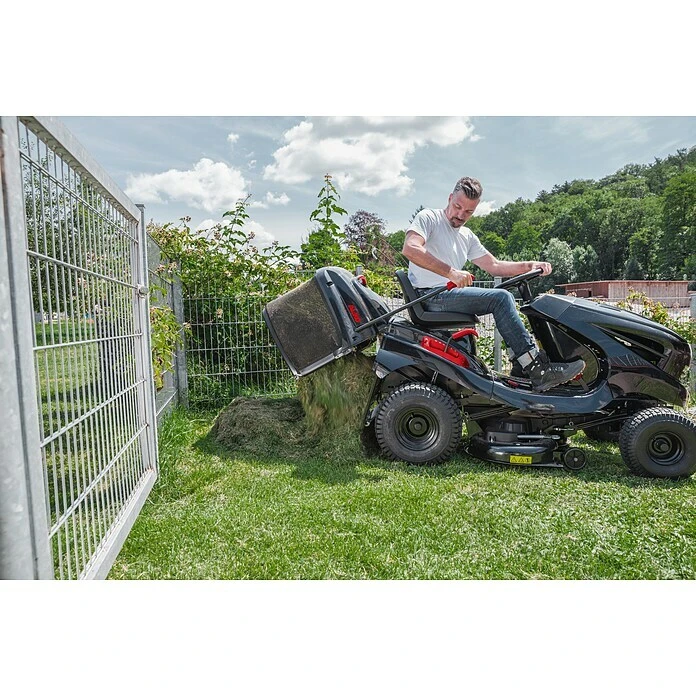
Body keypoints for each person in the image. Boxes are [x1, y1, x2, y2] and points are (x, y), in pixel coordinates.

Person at [401, 176, 585, 392]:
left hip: (446, 295)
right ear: (450, 198)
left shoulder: (467, 236)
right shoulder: (429, 218)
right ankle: (536, 370)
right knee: (500, 299)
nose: (460, 215)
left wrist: (530, 265)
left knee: (503, 299)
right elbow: (410, 248)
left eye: (468, 212)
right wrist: (451, 272)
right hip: (430, 296)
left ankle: (521, 366)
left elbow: (495, 265)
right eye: (457, 207)